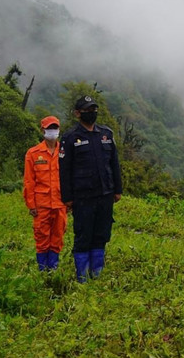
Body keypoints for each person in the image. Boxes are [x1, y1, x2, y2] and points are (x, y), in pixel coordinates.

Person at [58, 95, 123, 282]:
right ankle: (81, 276)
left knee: (101, 235)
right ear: (78, 113)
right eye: (87, 110)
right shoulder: (70, 138)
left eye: (94, 109)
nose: (92, 113)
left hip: (105, 195)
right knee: (83, 236)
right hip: (82, 197)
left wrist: (117, 189)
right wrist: (67, 198)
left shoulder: (106, 134)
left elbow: (114, 163)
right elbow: (64, 170)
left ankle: (97, 274)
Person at [23, 115, 67, 271]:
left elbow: (70, 178)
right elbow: (29, 181)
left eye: (55, 128)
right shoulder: (33, 153)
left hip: (60, 203)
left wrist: (70, 201)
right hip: (41, 205)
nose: (52, 131)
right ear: (43, 130)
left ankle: (53, 269)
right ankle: (42, 270)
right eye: (49, 128)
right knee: (42, 238)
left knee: (57, 238)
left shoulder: (65, 152)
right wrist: (31, 204)